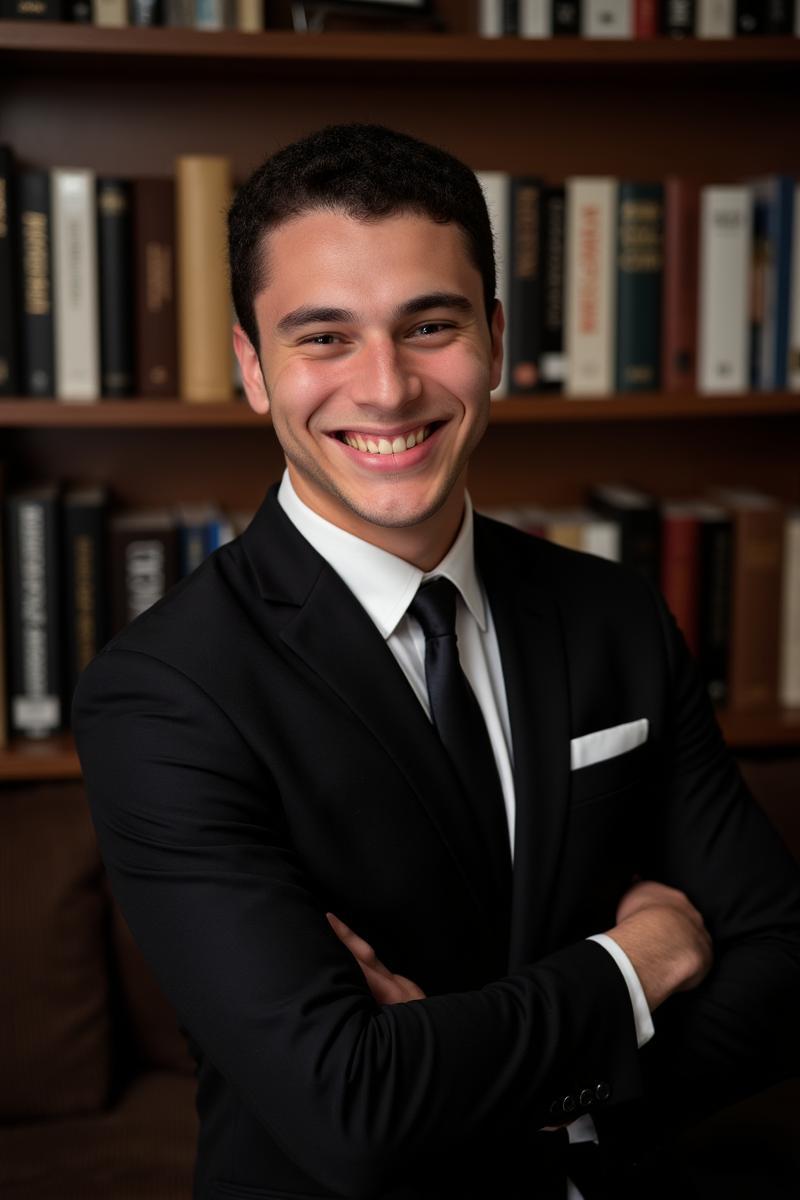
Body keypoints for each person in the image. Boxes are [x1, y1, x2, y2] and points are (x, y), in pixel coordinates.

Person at [72, 123, 800, 1200]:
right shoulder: (164, 696)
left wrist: (525, 1106)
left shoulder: (611, 612)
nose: (387, 388)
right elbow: (350, 1108)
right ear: (250, 368)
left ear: (495, 338)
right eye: (323, 337)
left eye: (429, 324)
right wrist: (633, 964)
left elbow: (781, 966)